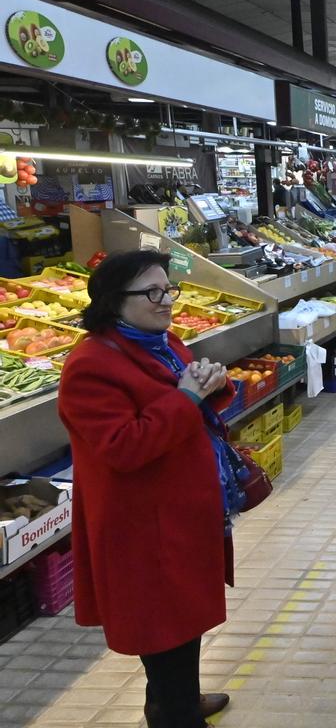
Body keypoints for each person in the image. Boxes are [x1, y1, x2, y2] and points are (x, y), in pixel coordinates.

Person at [58, 251, 237, 728]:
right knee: (164, 630)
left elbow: (187, 397)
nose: (166, 302)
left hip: (179, 516)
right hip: (141, 529)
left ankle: (176, 698)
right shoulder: (89, 365)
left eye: (168, 290)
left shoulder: (163, 341)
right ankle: (175, 713)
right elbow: (124, 447)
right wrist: (187, 396)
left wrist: (212, 384)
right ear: (115, 301)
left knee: (184, 621)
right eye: (151, 293)